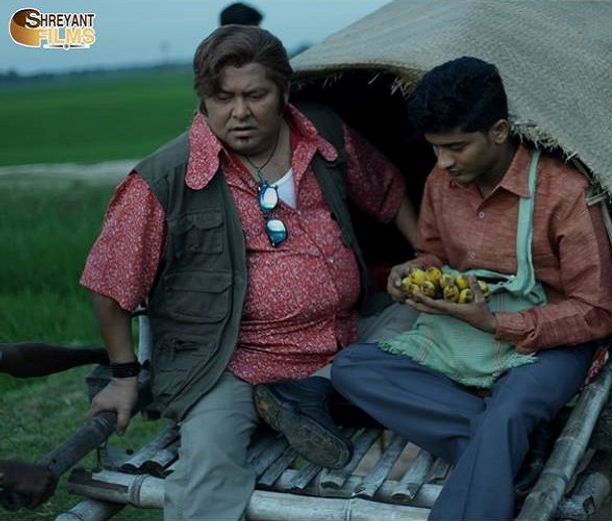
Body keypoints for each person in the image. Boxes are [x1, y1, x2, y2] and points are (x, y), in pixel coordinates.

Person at [82, 25, 417, 520]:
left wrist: (426, 252)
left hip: (347, 337)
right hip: (235, 365)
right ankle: (290, 401)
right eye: (223, 98)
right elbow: (109, 286)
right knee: (206, 476)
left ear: (283, 93)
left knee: (424, 316)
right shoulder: (167, 177)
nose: (239, 112)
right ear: (204, 99)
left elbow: (386, 189)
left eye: (255, 95)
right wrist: (124, 376)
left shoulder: (320, 133)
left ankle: (307, 395)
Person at [327, 56, 612, 520]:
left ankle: (503, 439)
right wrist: (412, 272)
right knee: (352, 368)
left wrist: (497, 322)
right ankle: (512, 445)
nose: (443, 162)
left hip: (549, 342)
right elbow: (434, 254)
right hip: (462, 331)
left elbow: (597, 311)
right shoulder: (441, 183)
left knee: (510, 409)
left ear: (499, 131)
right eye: (435, 148)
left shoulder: (565, 193)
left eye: (456, 147)